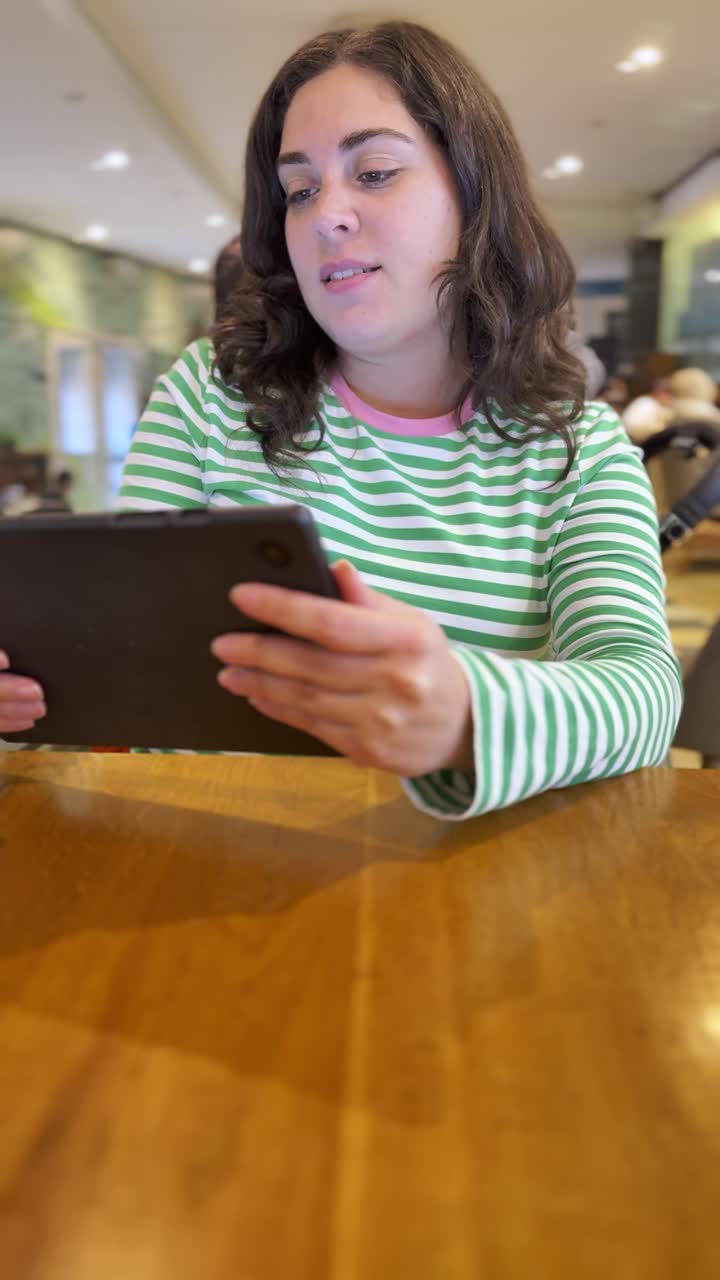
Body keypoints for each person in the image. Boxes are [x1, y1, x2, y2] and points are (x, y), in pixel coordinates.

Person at [0, 21, 682, 819]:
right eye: (299, 189)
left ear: (475, 195)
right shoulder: (207, 395)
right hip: (197, 853)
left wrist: (464, 711)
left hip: (451, 885)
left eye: (377, 171)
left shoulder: (578, 446)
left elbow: (642, 690)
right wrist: (35, 684)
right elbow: (119, 661)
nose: (328, 215)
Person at [623, 378, 674, 443]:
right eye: (667, 393)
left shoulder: (650, 402)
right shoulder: (646, 403)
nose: (669, 398)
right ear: (659, 392)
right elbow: (634, 428)